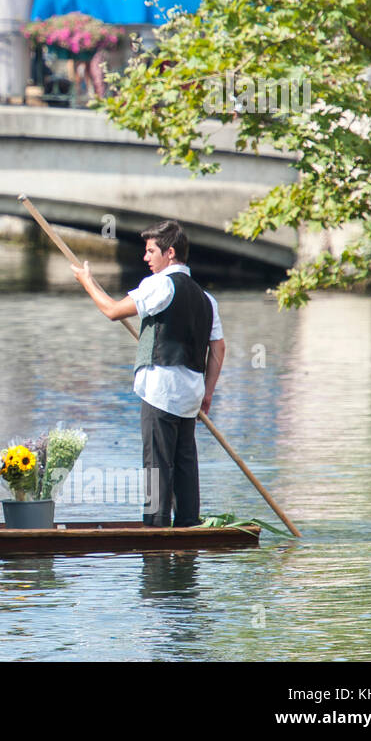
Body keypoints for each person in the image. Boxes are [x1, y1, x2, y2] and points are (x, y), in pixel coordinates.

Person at [70, 220, 225, 527]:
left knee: (156, 465)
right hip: (190, 391)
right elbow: (218, 349)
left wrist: (87, 281)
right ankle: (188, 527)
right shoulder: (207, 299)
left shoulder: (160, 285)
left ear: (170, 253)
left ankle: (154, 529)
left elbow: (113, 311)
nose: (145, 258)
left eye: (151, 251)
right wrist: (207, 393)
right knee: (184, 464)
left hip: (161, 388)